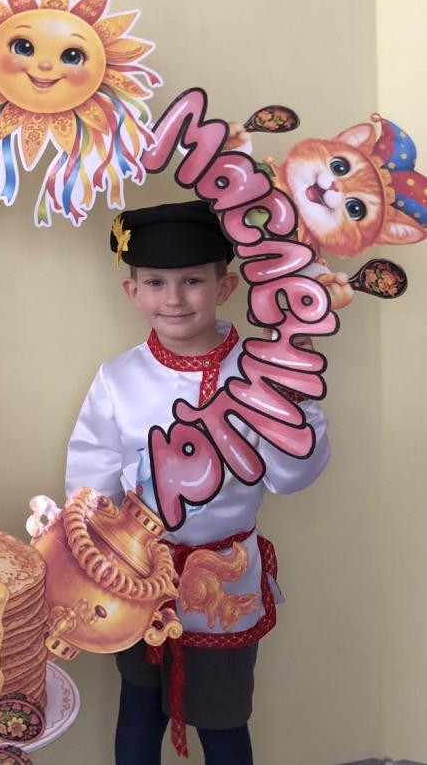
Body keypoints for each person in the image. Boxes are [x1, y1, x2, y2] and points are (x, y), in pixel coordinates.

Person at [65, 201, 331, 765]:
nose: (174, 298)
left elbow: (291, 477)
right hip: (139, 577)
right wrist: (92, 559)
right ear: (132, 292)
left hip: (223, 583)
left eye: (192, 281)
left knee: (223, 723)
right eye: (155, 282)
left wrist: (294, 396)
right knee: (139, 712)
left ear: (224, 286)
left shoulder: (261, 371)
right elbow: (92, 476)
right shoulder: (118, 378)